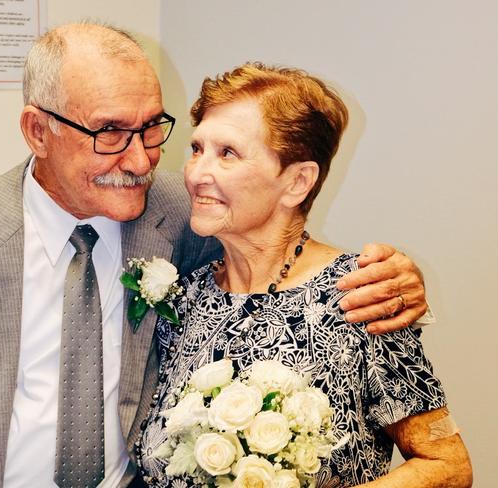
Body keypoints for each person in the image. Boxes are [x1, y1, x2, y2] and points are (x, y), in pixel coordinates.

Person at [0, 24, 429, 488]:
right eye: (109, 132)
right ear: (37, 131)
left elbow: (280, 246)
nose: (139, 161)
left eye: (152, 128)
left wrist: (397, 275)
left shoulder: (187, 211)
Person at [138, 64, 472, 487]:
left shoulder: (360, 295)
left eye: (227, 153)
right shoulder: (185, 299)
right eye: (197, 148)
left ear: (297, 182)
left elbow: (448, 465)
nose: (196, 173)